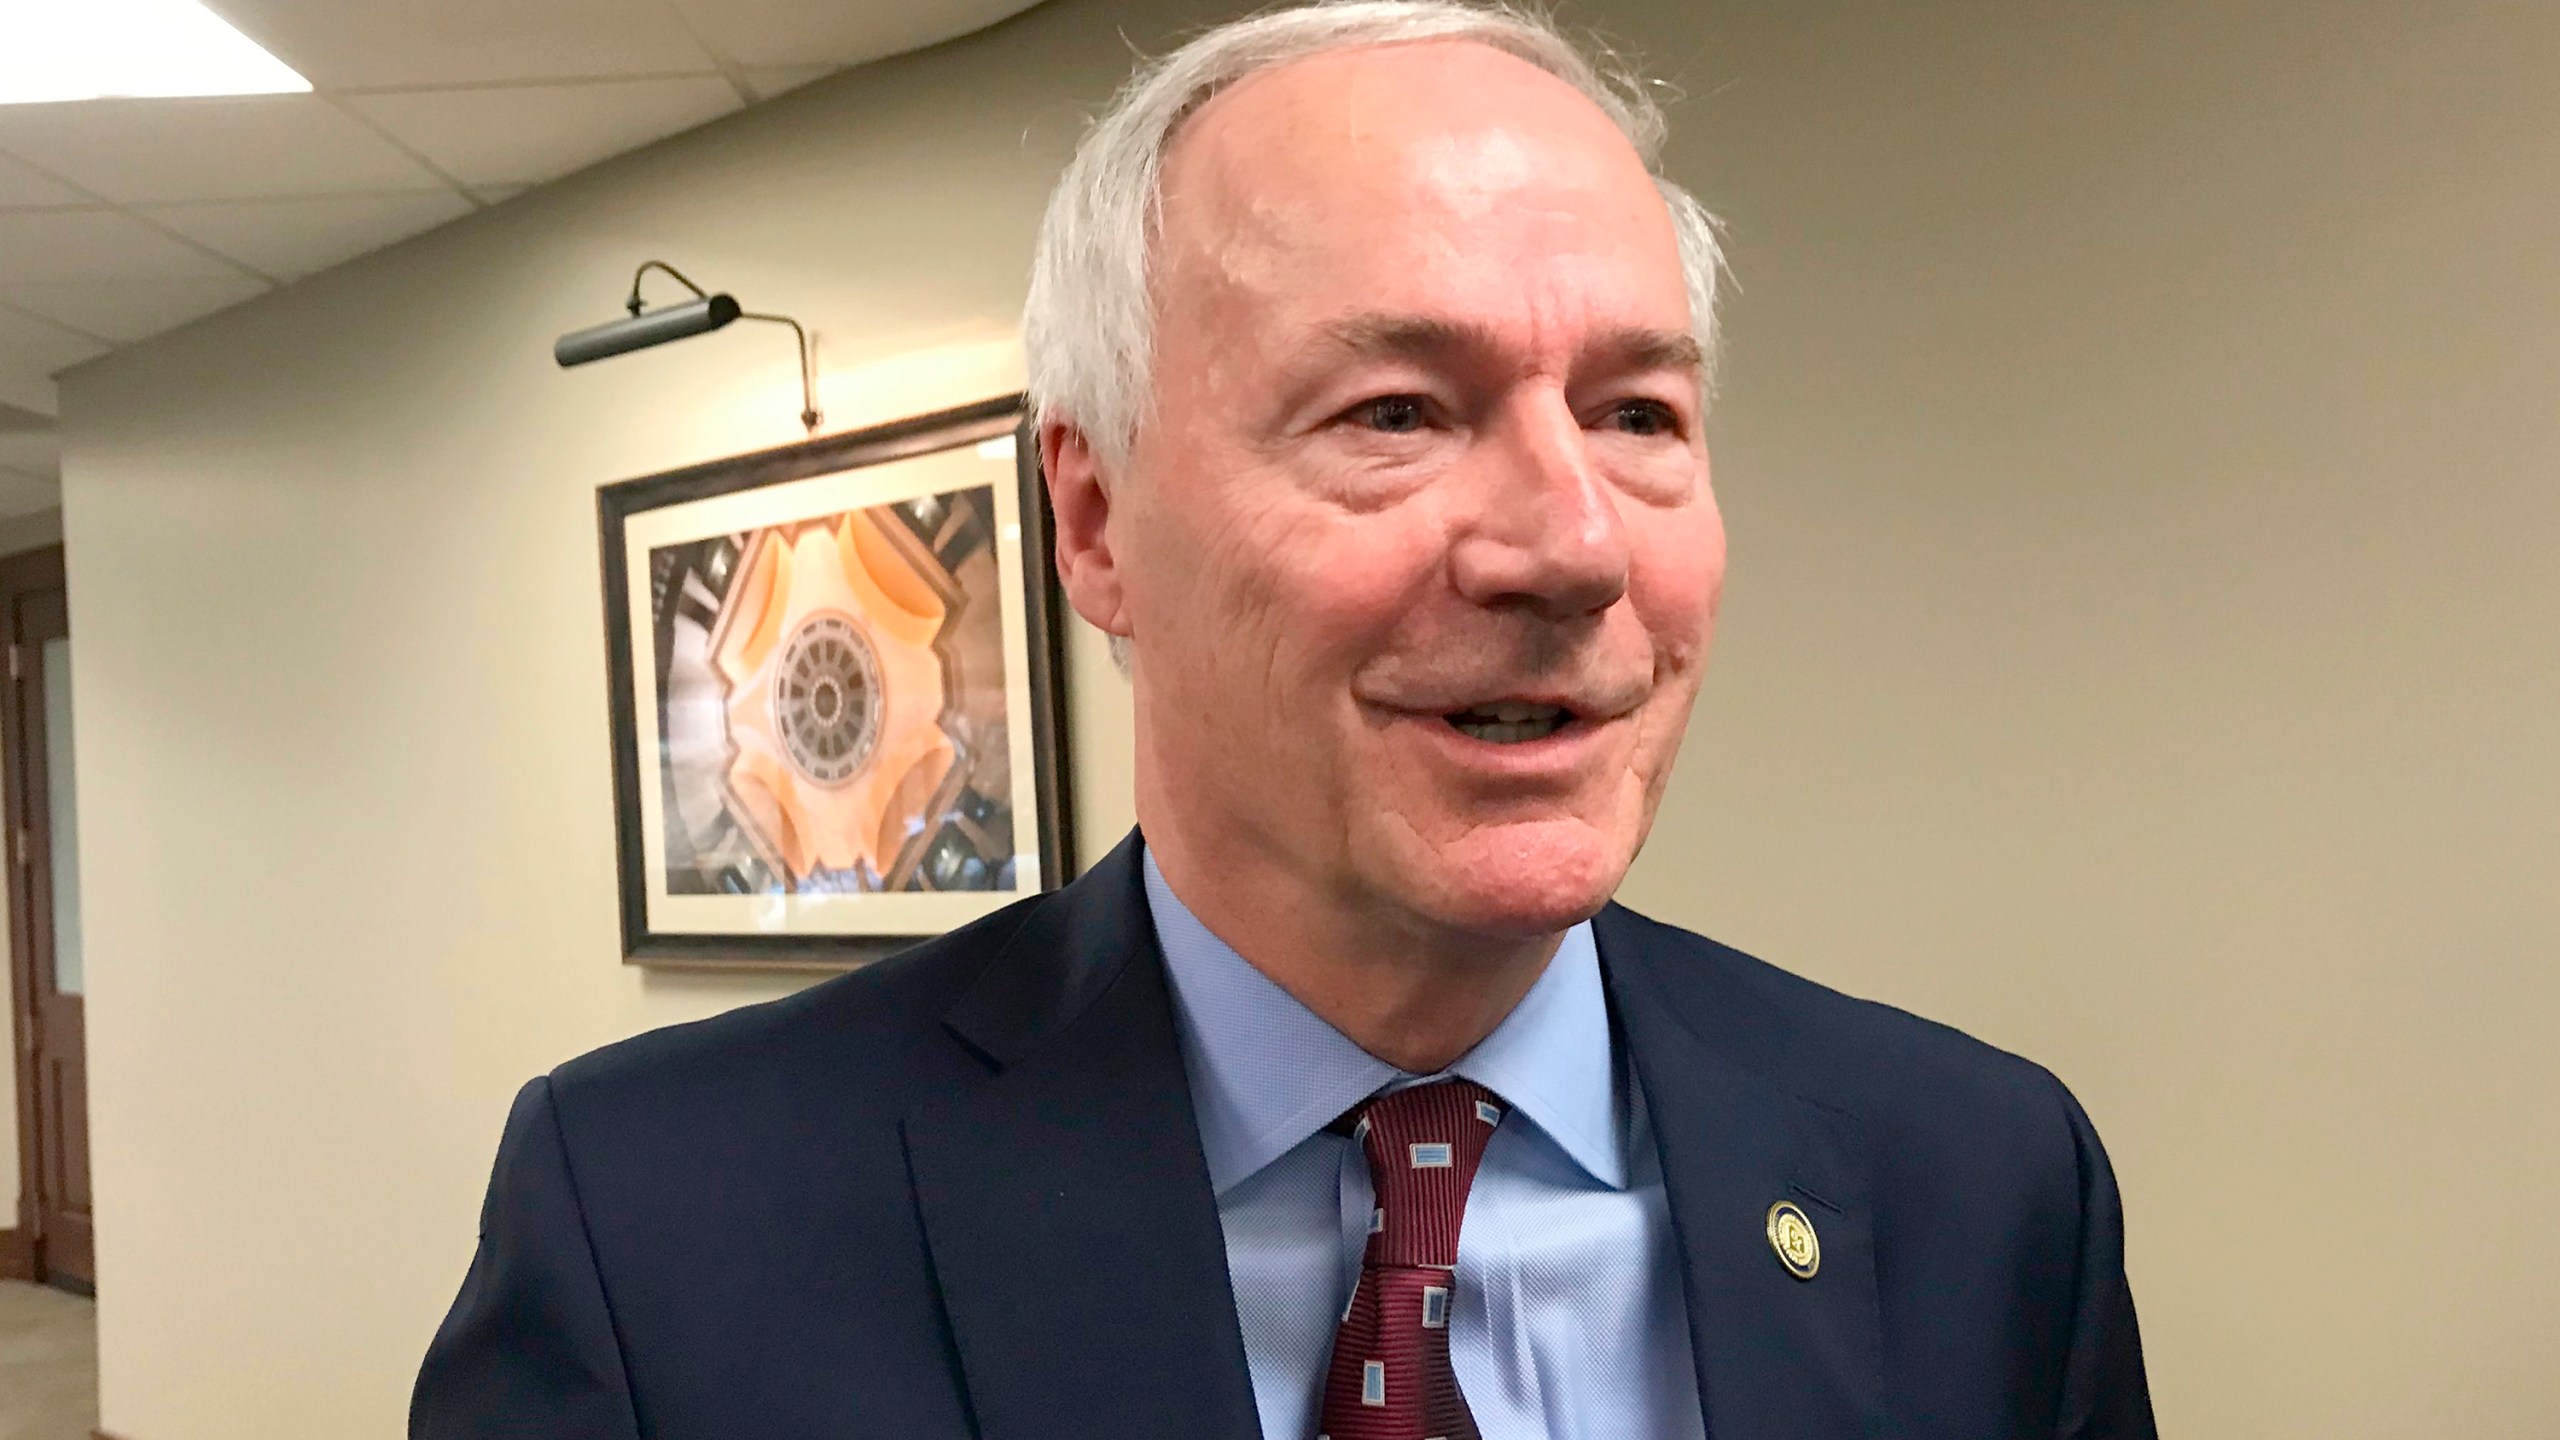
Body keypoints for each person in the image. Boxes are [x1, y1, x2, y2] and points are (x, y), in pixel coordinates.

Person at [411, 3, 2156, 1436]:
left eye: (1637, 413)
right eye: (1396, 410)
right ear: (1095, 526)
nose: (1570, 544)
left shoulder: (1982, 1188)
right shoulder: (660, 1231)